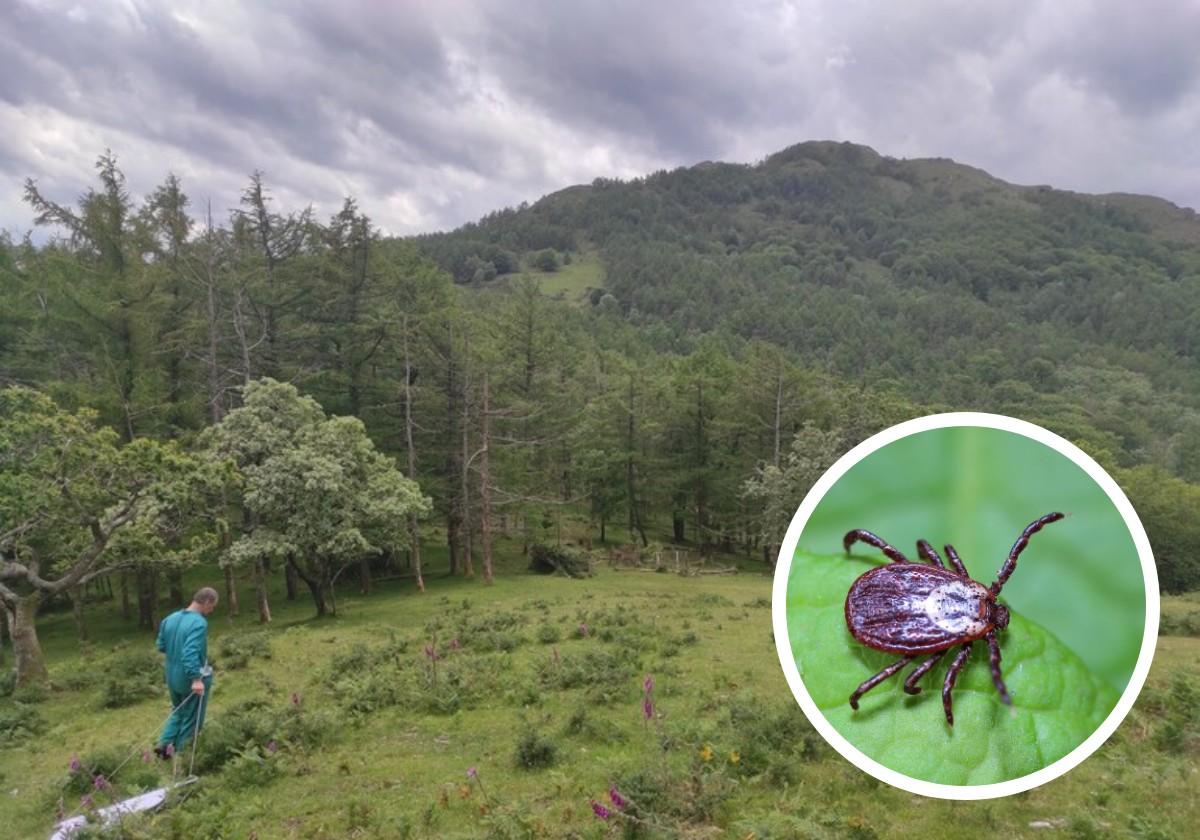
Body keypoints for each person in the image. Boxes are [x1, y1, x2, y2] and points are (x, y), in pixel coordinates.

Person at [153, 587, 217, 762]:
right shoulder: (199, 623)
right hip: (189, 677)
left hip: (171, 675)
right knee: (192, 717)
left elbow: (161, 645)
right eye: (212, 607)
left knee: (178, 710)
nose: (211, 611)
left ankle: (164, 743)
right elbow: (190, 652)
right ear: (207, 602)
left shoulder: (169, 619)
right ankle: (183, 756)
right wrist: (196, 678)